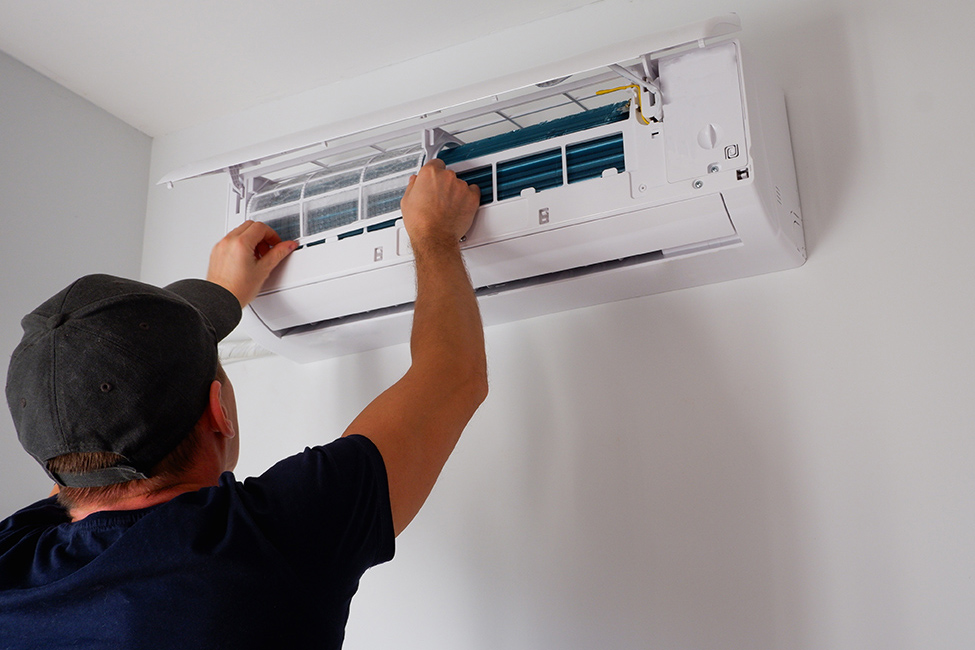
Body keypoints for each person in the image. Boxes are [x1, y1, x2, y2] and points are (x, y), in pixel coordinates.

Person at [0, 160, 487, 649]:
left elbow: (87, 457)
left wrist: (214, 304)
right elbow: (451, 376)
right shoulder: (270, 541)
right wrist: (433, 234)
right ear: (219, 411)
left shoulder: (12, 564)